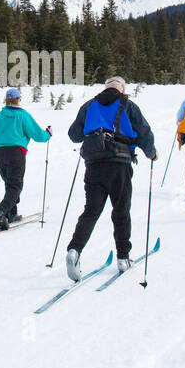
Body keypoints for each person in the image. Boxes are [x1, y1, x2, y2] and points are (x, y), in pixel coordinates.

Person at [64, 76, 157, 279]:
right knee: (121, 211)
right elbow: (144, 132)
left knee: (91, 211)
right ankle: (123, 257)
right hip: (119, 164)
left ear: (106, 88)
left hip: (94, 165)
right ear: (121, 90)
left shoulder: (89, 105)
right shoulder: (128, 105)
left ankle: (75, 250)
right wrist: (151, 153)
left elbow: (74, 134)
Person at [0, 87, 51, 229]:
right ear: (18, 100)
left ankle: (11, 214)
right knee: (15, 185)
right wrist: (48, 134)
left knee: (9, 183)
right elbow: (38, 135)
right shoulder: (22, 115)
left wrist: (0, 142)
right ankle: (2, 211)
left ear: (6, 100)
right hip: (16, 152)